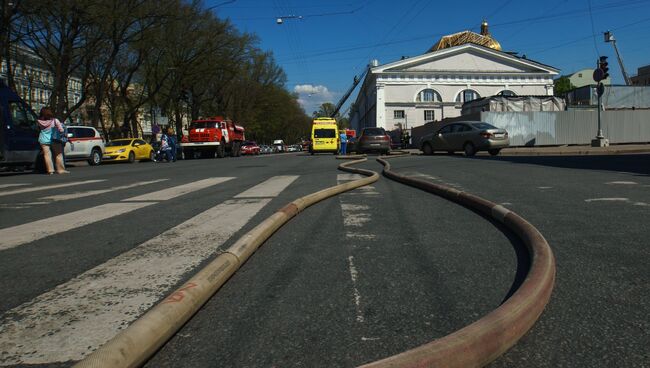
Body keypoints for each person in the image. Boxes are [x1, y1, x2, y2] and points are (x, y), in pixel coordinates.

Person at [37, 107, 69, 174]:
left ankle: (50, 170)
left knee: (47, 155)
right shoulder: (55, 121)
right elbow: (61, 130)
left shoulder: (39, 121)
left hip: (43, 139)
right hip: (54, 139)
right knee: (58, 154)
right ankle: (60, 170)